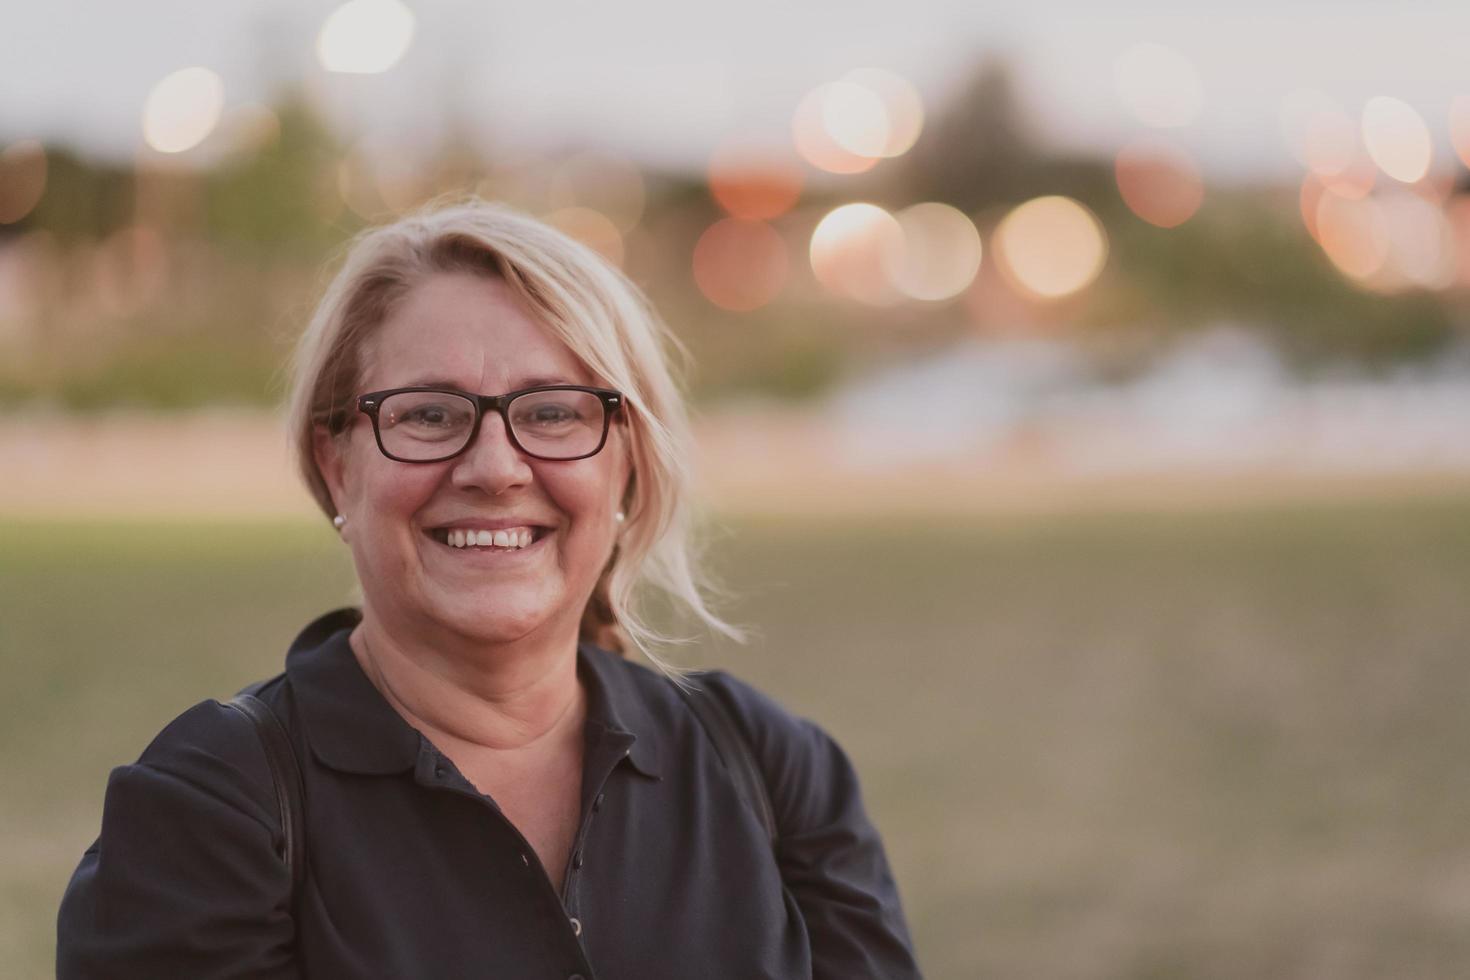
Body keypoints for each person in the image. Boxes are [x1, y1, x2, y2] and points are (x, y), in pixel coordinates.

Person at [56, 200, 922, 979]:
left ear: (626, 464)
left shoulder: (773, 769)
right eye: (428, 414)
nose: (496, 467)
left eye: (553, 411)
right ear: (336, 464)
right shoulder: (207, 807)